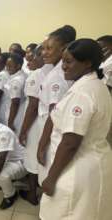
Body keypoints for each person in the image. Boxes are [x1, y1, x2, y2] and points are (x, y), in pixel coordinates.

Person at [39, 39, 112, 220]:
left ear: (87, 63)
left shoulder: (82, 93)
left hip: (76, 168)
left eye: (69, 61)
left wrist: (51, 178)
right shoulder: (96, 86)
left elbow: (71, 142)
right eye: (63, 61)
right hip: (93, 162)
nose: (63, 66)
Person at [37, 25, 76, 185]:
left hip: (52, 132)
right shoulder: (54, 70)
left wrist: (41, 145)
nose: (43, 52)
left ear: (64, 48)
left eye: (49, 48)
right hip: (48, 127)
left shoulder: (59, 76)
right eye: (43, 48)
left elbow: (54, 114)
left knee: (48, 177)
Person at [18, 45, 53, 205]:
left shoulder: (36, 75)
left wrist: (23, 131)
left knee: (33, 160)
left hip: (36, 123)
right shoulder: (55, 71)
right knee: (46, 158)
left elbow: (32, 106)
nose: (29, 61)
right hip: (48, 123)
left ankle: (32, 195)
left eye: (33, 58)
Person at [3, 54, 27, 134]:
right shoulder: (20, 75)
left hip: (14, 116)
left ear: (18, 66)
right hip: (16, 113)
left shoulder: (16, 81)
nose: (7, 68)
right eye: (6, 65)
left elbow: (15, 102)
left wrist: (10, 122)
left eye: (10, 66)